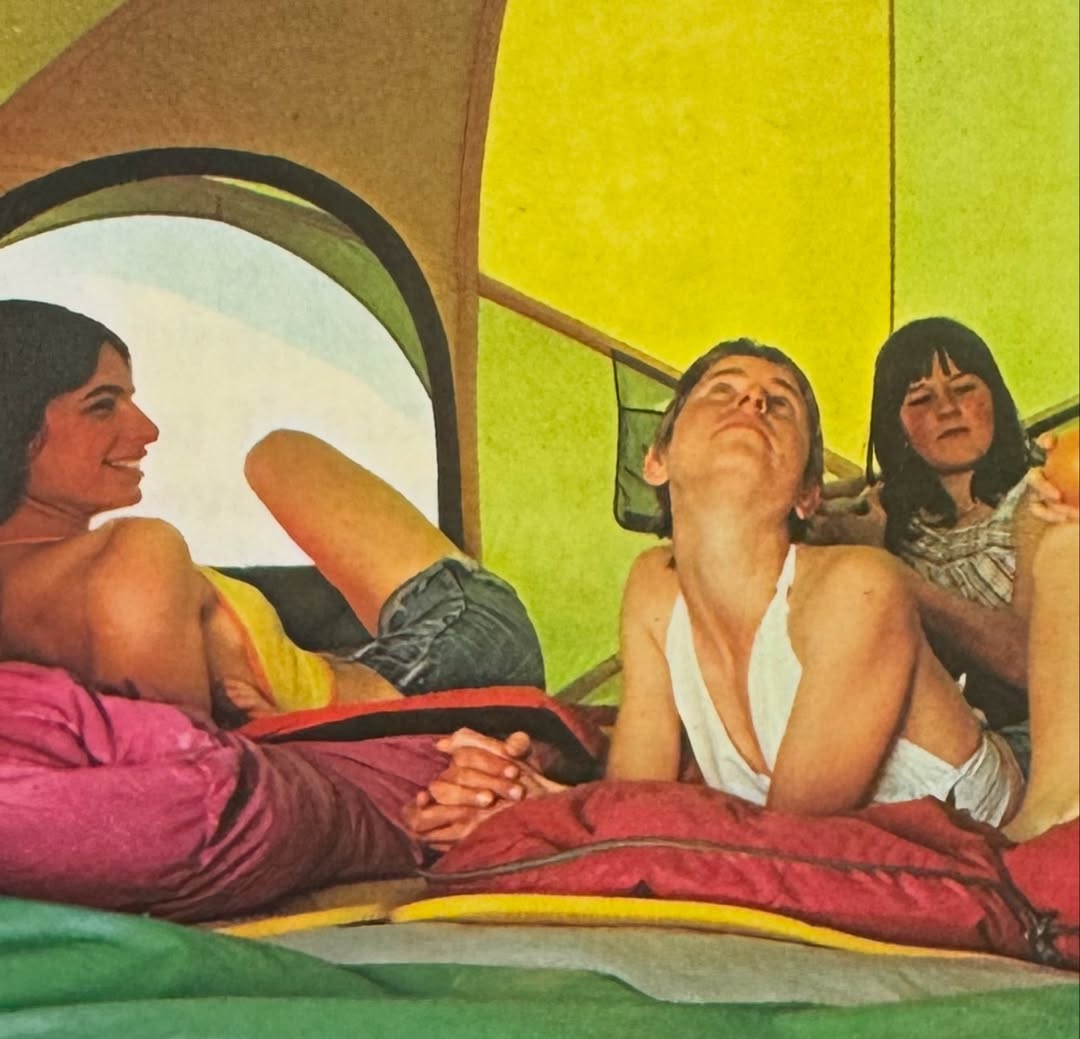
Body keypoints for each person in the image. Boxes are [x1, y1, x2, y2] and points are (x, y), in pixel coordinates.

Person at [406, 339, 1078, 849]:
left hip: (985, 804)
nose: (753, 403)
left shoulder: (861, 585)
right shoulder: (652, 586)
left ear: (807, 493)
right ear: (656, 460)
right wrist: (524, 796)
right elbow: (633, 798)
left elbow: (783, 840)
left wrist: (555, 814)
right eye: (722, 391)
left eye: (778, 403)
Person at [0, 299, 543, 724]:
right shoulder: (133, 554)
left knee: (272, 531)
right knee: (281, 455)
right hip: (448, 658)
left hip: (351, 654)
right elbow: (184, 762)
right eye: (102, 405)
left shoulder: (45, 586)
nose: (148, 430)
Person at [808, 317, 1079, 777]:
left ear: (995, 397)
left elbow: (1031, 664)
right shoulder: (888, 511)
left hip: (1044, 735)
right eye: (920, 399)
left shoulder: (1038, 495)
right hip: (938, 735)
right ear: (896, 425)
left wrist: (885, 568)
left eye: (964, 388)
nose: (948, 409)